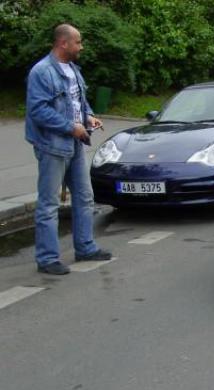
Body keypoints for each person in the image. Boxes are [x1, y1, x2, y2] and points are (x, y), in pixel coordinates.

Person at [25, 24, 112, 275]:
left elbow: (78, 102)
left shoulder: (73, 70)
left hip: (75, 141)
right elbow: (38, 111)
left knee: (85, 197)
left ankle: (85, 247)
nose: (81, 47)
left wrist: (89, 117)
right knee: (49, 203)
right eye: (78, 42)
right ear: (63, 43)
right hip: (52, 145)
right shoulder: (41, 72)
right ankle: (47, 258)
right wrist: (70, 127)